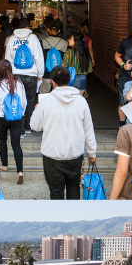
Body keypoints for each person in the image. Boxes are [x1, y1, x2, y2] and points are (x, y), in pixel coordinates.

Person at [30, 66, 97, 200]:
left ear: (53, 82)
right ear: (70, 79)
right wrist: (92, 152)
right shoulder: (81, 101)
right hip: (75, 154)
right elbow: (88, 128)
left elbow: (35, 126)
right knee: (74, 187)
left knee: (56, 191)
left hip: (52, 156)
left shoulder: (46, 101)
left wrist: (36, 109)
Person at [0, 60, 27, 184]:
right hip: (16, 117)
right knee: (16, 144)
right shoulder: (19, 83)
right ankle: (20, 171)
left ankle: (4, 164)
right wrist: (21, 114)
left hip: (2, 117)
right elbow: (24, 102)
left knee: (2, 139)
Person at [4, 21, 44, 135]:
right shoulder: (33, 38)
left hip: (16, 75)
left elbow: (8, 59)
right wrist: (40, 75)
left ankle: (19, 130)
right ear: (28, 27)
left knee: (17, 101)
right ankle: (28, 126)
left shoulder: (11, 39)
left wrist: (9, 75)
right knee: (30, 101)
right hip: (31, 75)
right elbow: (39, 58)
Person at [40, 20, 69, 93]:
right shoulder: (65, 43)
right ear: (59, 30)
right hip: (59, 73)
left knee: (44, 93)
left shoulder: (42, 42)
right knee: (57, 94)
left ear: (48, 30)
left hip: (45, 72)